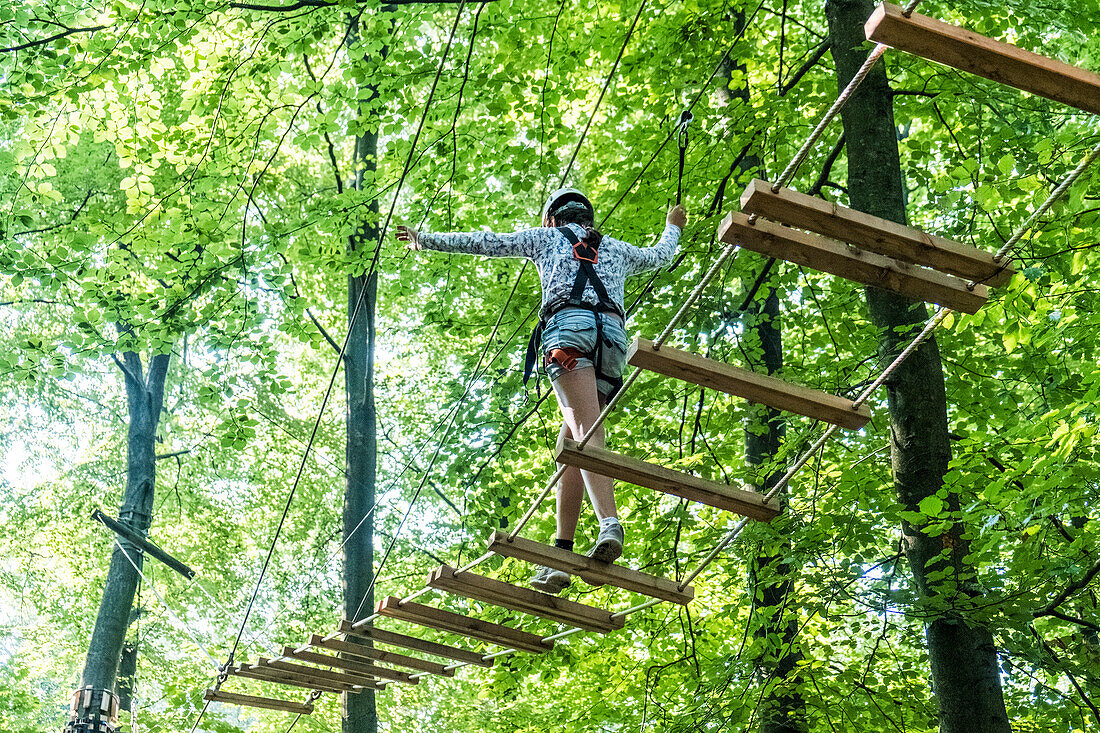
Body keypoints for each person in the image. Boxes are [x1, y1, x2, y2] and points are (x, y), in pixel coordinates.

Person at [397, 189, 686, 593]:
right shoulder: (617, 249)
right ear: (588, 217)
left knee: (584, 431)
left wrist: (424, 239)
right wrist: (673, 227)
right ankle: (561, 556)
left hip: (569, 335)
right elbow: (660, 257)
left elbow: (487, 242)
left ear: (552, 219)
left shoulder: (546, 239)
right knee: (569, 440)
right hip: (612, 343)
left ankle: (609, 522)